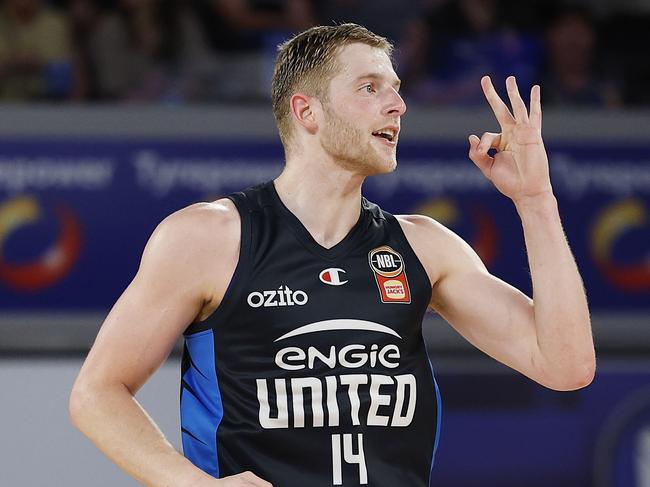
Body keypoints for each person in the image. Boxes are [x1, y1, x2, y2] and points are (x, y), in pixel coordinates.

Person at [69, 23, 596, 487]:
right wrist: (187, 483)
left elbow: (565, 365)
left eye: (397, 89)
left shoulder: (423, 245)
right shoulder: (207, 237)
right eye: (370, 88)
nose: (398, 104)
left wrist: (536, 201)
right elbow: (97, 393)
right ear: (307, 112)